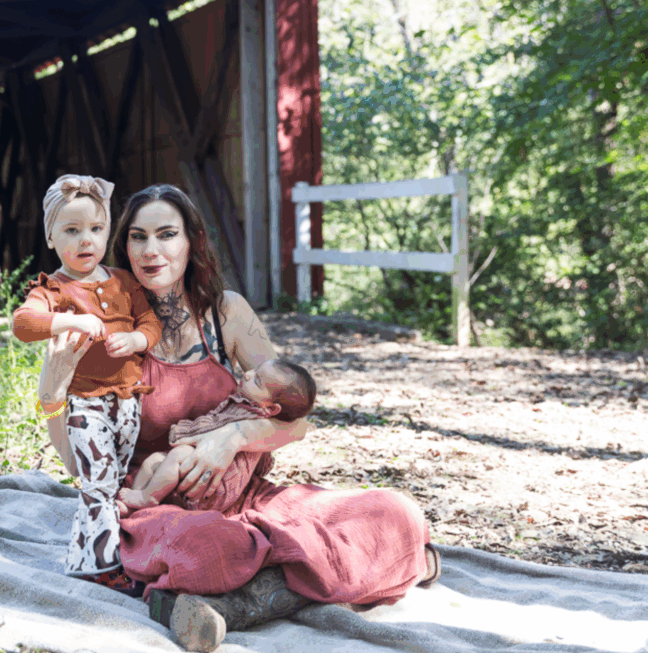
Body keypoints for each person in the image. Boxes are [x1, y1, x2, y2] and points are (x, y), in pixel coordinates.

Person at [37, 183, 439, 652]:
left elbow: (296, 418)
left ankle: (231, 603)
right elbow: (78, 462)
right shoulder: (105, 327)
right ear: (122, 245)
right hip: (153, 503)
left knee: (395, 513)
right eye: (138, 237)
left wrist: (233, 437)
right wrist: (52, 392)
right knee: (207, 547)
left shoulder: (227, 313)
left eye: (167, 234)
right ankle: (333, 574)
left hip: (247, 496)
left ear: (192, 242)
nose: (151, 250)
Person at [12, 174, 162, 593]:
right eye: (72, 230)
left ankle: (96, 556)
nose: (86, 240)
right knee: (95, 478)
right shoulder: (55, 289)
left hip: (128, 400)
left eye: (96, 229)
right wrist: (72, 319)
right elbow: (23, 324)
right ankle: (101, 566)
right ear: (51, 237)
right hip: (84, 402)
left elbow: (150, 322)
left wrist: (136, 339)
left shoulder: (123, 282)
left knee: (112, 480)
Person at [117, 358, 315, 515]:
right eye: (254, 370)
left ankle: (147, 499)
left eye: (257, 380)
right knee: (154, 460)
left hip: (213, 487)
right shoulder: (243, 406)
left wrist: (182, 433)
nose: (247, 374)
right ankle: (137, 503)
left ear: (271, 408)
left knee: (179, 453)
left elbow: (209, 429)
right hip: (198, 477)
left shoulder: (248, 414)